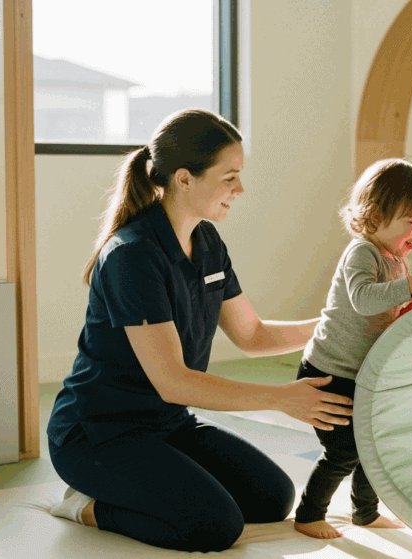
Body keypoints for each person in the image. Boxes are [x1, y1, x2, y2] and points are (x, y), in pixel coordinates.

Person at [46, 108, 355, 553]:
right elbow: (173, 381)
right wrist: (282, 399)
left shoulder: (207, 242)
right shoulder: (132, 256)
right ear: (185, 179)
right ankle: (86, 506)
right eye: (229, 177)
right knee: (214, 526)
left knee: (273, 498)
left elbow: (252, 336)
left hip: (167, 424)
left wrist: (340, 323)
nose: (240, 189)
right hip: (99, 433)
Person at [293, 158, 412, 539]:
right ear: (376, 216)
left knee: (373, 447)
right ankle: (309, 514)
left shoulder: (397, 259)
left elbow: (392, 310)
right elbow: (363, 299)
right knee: (343, 452)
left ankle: (365, 513)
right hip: (329, 374)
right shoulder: (362, 252)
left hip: (362, 375)